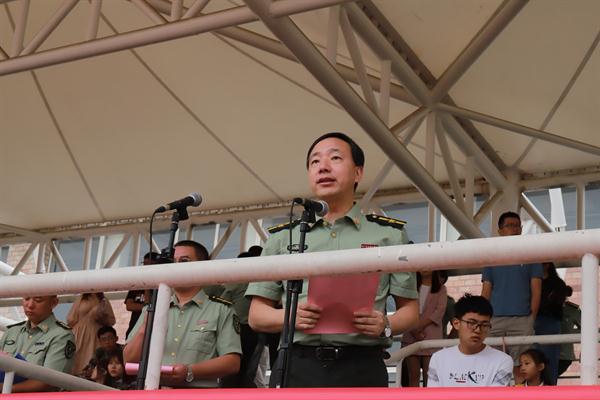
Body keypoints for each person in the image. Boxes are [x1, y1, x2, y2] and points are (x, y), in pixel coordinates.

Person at [246, 132, 418, 387]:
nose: (323, 167)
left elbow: (411, 311)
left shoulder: (389, 234)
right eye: (315, 162)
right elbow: (256, 315)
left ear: (358, 173)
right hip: (298, 365)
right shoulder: (283, 237)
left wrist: (386, 324)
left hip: (363, 365)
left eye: (335, 158)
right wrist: (289, 317)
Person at [124, 240, 241, 388]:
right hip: (153, 392)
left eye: (184, 261)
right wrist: (144, 329)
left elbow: (232, 362)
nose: (176, 266)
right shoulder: (152, 309)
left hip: (198, 395)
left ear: (203, 267)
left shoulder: (221, 309)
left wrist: (190, 371)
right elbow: (128, 360)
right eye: (172, 262)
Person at [481, 211, 542, 382]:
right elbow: (486, 291)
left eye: (517, 226)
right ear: (500, 230)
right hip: (494, 320)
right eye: (509, 226)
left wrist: (531, 318)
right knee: (492, 364)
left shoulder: (531, 255)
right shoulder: (491, 256)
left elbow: (537, 290)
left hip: (522, 319)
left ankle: (519, 393)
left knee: (521, 366)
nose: (514, 229)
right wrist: (483, 318)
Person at [428, 294, 513, 387]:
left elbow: (494, 395)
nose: (478, 330)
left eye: (484, 325)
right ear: (456, 323)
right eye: (472, 323)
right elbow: (433, 394)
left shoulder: (502, 361)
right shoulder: (438, 359)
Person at [0, 295, 76, 392]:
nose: (30, 305)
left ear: (54, 302)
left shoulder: (61, 336)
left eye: (38, 300)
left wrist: (6, 388)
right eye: (26, 299)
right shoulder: (12, 332)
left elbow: (50, 381)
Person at [401, 270, 447, 387]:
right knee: (413, 376)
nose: (424, 268)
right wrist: (413, 329)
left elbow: (439, 311)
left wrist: (418, 326)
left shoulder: (441, 289)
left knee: (430, 377)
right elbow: (403, 308)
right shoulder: (410, 287)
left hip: (431, 336)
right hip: (410, 335)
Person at [534, 262, 568, 384]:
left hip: (549, 321)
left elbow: (558, 302)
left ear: (547, 265)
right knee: (532, 358)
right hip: (538, 321)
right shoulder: (533, 281)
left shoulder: (557, 284)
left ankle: (549, 386)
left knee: (549, 359)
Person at [67, 291, 116, 375]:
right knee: (78, 360)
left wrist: (101, 318)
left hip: (96, 334)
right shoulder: (81, 298)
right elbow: (71, 320)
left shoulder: (103, 300)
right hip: (80, 334)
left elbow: (111, 321)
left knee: (93, 359)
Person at [124, 252, 159, 337]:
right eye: (144, 264)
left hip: (152, 331)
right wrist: (147, 307)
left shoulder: (160, 285)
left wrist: (147, 286)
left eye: (150, 265)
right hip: (134, 330)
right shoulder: (137, 284)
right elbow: (129, 306)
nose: (146, 267)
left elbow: (155, 307)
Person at [558, 287, 580, 377]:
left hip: (564, 355)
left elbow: (586, 329)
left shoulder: (572, 310)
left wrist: (570, 333)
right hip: (544, 353)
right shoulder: (543, 309)